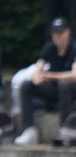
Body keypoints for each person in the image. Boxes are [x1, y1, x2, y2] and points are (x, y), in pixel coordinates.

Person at [14, 17, 76, 146]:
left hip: (70, 89)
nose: (57, 36)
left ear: (67, 32)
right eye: (55, 33)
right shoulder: (49, 47)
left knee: (64, 84)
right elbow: (39, 67)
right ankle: (29, 129)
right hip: (53, 87)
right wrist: (37, 77)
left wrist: (50, 76)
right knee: (26, 85)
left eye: (60, 33)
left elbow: (74, 75)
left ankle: (64, 128)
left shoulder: (73, 48)